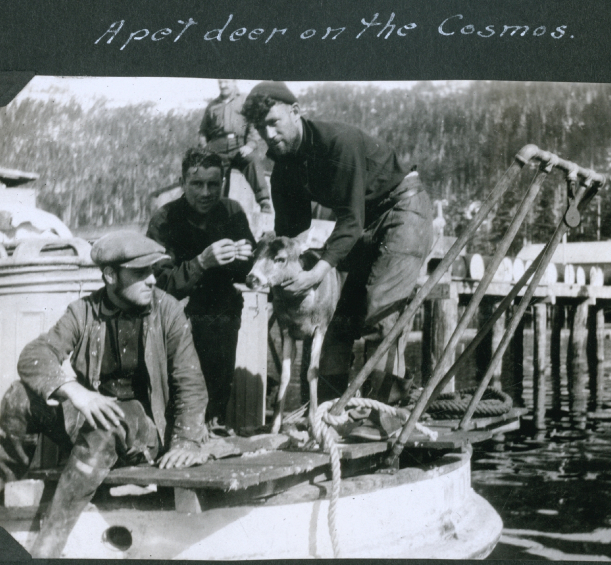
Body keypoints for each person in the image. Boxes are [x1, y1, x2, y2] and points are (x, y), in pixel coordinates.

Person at [0, 232, 210, 558]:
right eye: (140, 273)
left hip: (145, 430)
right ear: (110, 275)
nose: (152, 280)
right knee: (20, 395)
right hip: (93, 423)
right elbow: (33, 356)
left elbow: (190, 383)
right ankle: (2, 478)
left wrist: (187, 441)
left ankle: (48, 549)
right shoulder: (83, 312)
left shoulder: (169, 312)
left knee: (109, 420)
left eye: (154, 271)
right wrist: (75, 392)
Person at [241, 81, 433, 403]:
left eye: (274, 123)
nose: (269, 135)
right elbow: (290, 232)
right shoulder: (285, 163)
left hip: (403, 210)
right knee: (335, 311)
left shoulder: (337, 143)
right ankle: (324, 407)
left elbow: (349, 219)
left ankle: (383, 407)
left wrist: (316, 274)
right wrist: (272, 268)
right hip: (364, 220)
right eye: (261, 129)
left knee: (381, 308)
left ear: (296, 112)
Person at [147, 148, 256, 425]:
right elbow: (159, 284)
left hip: (220, 314)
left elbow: (245, 273)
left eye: (213, 184)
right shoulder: (165, 219)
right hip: (176, 315)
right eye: (197, 184)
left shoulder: (231, 212)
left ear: (222, 183)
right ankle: (184, 428)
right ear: (182, 183)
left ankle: (214, 421)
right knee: (180, 385)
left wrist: (247, 257)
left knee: (223, 317)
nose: (206, 192)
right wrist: (201, 263)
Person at [199, 78, 273, 213]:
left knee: (252, 160)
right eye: (220, 82)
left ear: (234, 82)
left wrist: (250, 144)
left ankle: (264, 201)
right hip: (216, 146)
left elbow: (253, 125)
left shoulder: (245, 100)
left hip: (239, 144)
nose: (223, 85)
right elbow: (203, 131)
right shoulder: (212, 106)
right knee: (212, 173)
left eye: (226, 82)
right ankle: (215, 210)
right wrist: (205, 149)